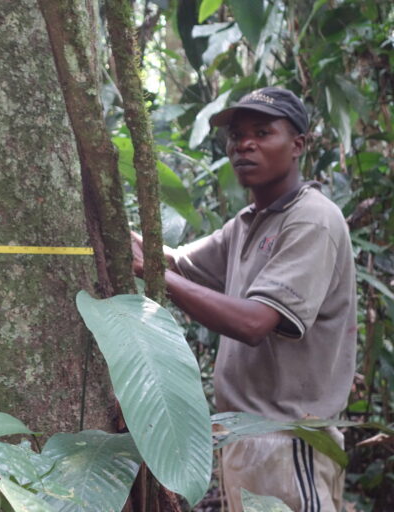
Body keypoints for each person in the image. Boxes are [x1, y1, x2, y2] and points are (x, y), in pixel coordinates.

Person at [131, 87, 357, 512]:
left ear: (297, 145)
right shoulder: (249, 222)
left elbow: (255, 322)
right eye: (236, 136)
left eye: (262, 132)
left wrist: (153, 272)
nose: (244, 145)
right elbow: (177, 262)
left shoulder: (312, 219)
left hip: (289, 438)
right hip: (245, 436)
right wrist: (119, 232)